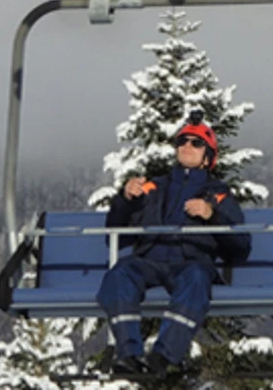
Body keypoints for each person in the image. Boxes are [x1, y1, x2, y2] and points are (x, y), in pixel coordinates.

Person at [97, 113, 249, 377]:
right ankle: (128, 355)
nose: (187, 147)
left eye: (196, 143)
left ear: (208, 156)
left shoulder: (219, 194)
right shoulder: (154, 187)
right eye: (182, 141)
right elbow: (115, 235)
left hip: (190, 262)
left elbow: (240, 248)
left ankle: (163, 356)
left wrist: (211, 215)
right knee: (119, 275)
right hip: (149, 259)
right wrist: (125, 200)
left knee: (196, 280)